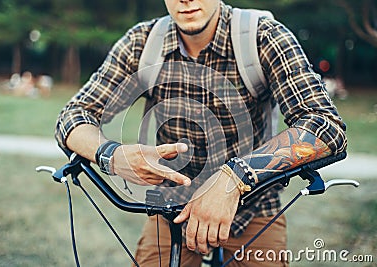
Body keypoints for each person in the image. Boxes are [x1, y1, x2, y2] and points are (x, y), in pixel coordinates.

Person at [55, 1, 347, 266]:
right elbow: (72, 116)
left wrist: (235, 177)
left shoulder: (263, 36)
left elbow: (324, 125)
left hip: (253, 208)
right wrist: (113, 155)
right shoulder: (142, 43)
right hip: (172, 209)